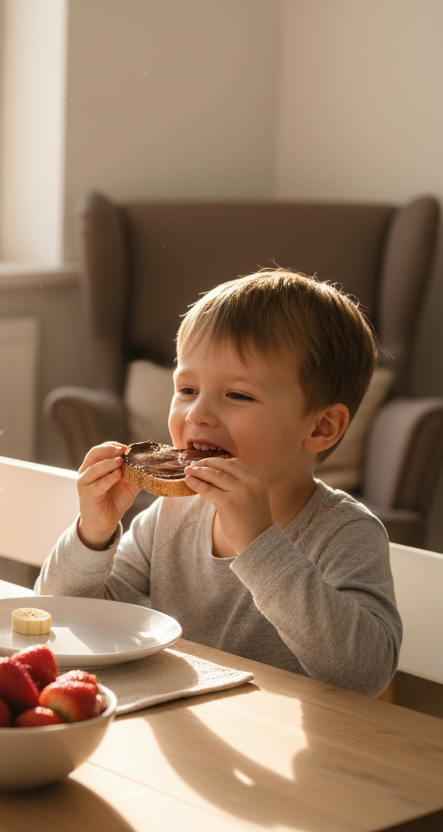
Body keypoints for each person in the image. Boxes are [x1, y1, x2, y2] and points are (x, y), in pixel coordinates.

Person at [37, 269, 402, 696]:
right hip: (183, 717)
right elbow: (64, 617)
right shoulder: (172, 514)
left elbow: (364, 674)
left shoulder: (346, 533)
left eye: (238, 395)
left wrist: (259, 543)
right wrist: (93, 534)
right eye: (187, 389)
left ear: (321, 427)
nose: (197, 415)